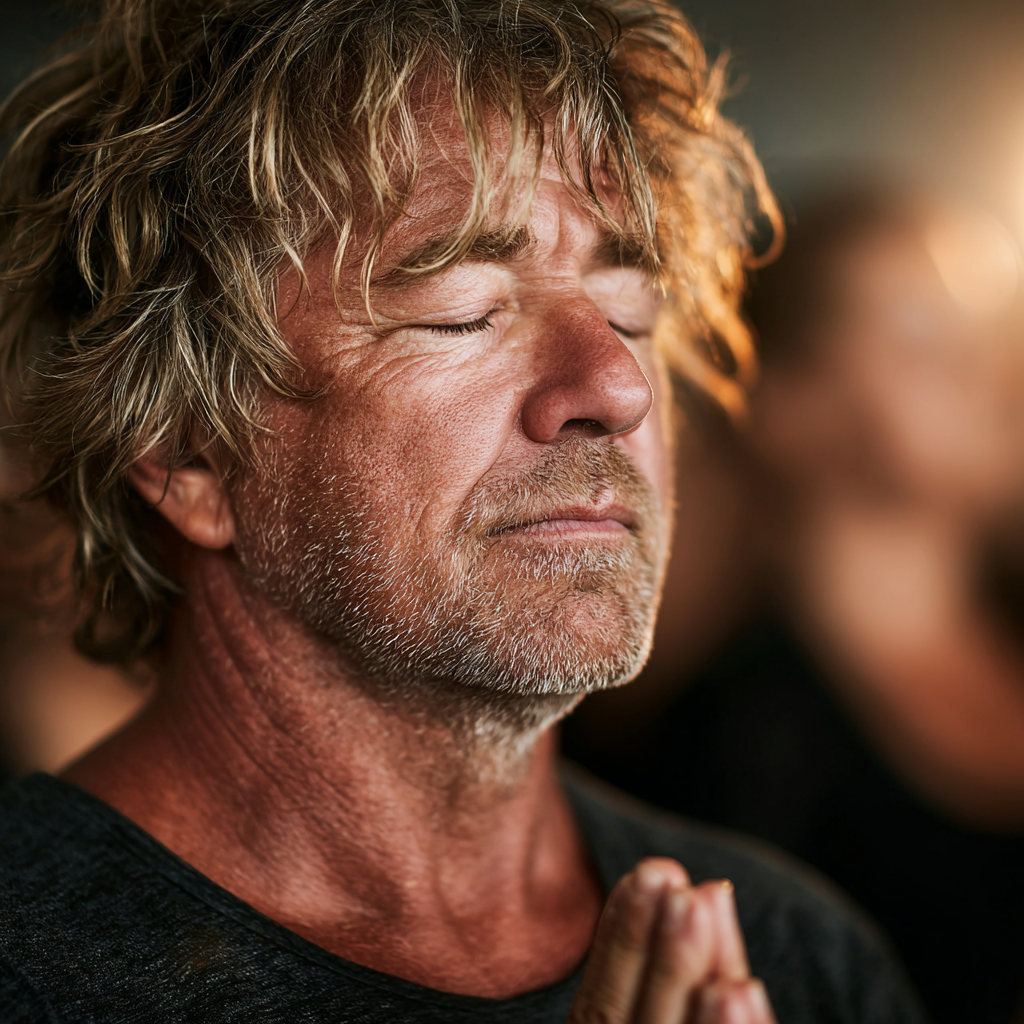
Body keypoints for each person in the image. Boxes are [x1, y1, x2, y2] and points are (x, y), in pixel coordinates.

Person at [0, 3, 924, 1021]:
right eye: (463, 312)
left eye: (630, 315)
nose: (618, 386)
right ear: (188, 449)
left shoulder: (795, 961)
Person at [565, 186, 1024, 1024]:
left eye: (997, 323)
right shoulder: (732, 760)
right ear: (780, 404)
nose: (995, 366)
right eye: (926, 334)